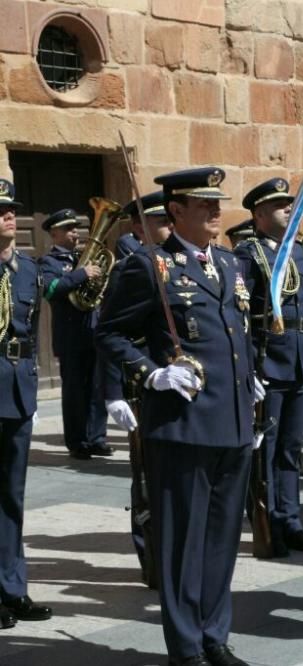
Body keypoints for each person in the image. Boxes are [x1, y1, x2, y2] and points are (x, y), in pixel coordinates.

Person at [96, 167, 262, 666]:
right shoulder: (150, 267)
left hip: (232, 423)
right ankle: (187, 648)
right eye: (202, 204)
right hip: (184, 424)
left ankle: (216, 636)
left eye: (217, 202)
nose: (215, 210)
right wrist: (151, 375)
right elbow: (109, 333)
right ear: (176, 211)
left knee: (222, 541)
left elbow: (236, 333)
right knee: (183, 543)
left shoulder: (232, 265)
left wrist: (248, 375)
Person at [234, 178, 303, 556]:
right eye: (279, 205)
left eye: (290, 203)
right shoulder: (248, 254)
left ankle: (291, 521)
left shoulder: (300, 254)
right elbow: (241, 315)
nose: (289, 208)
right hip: (268, 361)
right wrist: (249, 369)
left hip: (300, 361)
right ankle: (267, 523)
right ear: (258, 214)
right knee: (265, 451)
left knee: (292, 449)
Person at [102, 191, 174, 588]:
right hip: (141, 385)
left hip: (180, 387)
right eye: (159, 220)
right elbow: (109, 334)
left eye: (169, 218)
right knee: (146, 479)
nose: (166, 226)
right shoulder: (131, 268)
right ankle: (151, 561)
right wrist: (112, 392)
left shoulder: (188, 266)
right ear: (139, 226)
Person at [0, 178, 53, 627]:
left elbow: (30, 330)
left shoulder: (28, 270)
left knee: (12, 498)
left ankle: (13, 589)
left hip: (17, 389)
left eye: (11, 209)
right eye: (0, 211)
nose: (9, 216)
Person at [39, 208, 110, 460]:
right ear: (54, 233)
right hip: (70, 337)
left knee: (97, 389)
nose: (76, 232)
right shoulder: (48, 262)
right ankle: (77, 441)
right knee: (74, 392)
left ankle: (97, 438)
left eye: (76, 227)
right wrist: (82, 274)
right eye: (68, 229)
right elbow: (50, 289)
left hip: (93, 331)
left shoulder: (85, 257)